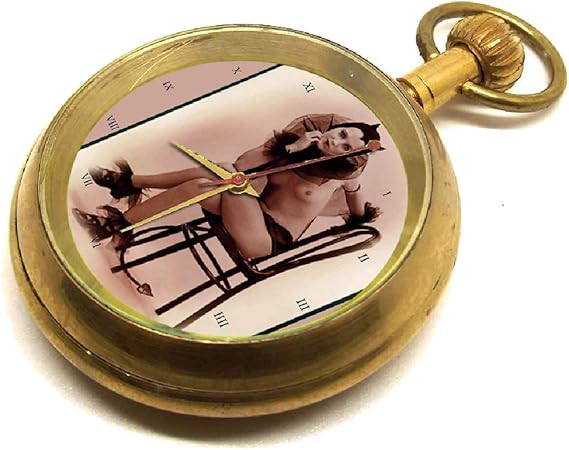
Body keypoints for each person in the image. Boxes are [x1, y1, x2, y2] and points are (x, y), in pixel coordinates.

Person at [73, 113, 382, 258]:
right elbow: (244, 165)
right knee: (199, 186)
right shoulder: (296, 145)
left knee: (222, 173)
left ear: (349, 156)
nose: (336, 142)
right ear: (338, 127)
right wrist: (291, 149)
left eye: (346, 147)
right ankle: (118, 225)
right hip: (249, 213)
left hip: (266, 240)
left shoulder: (343, 178)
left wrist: (358, 217)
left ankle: (128, 185)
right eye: (342, 134)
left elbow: (358, 215)